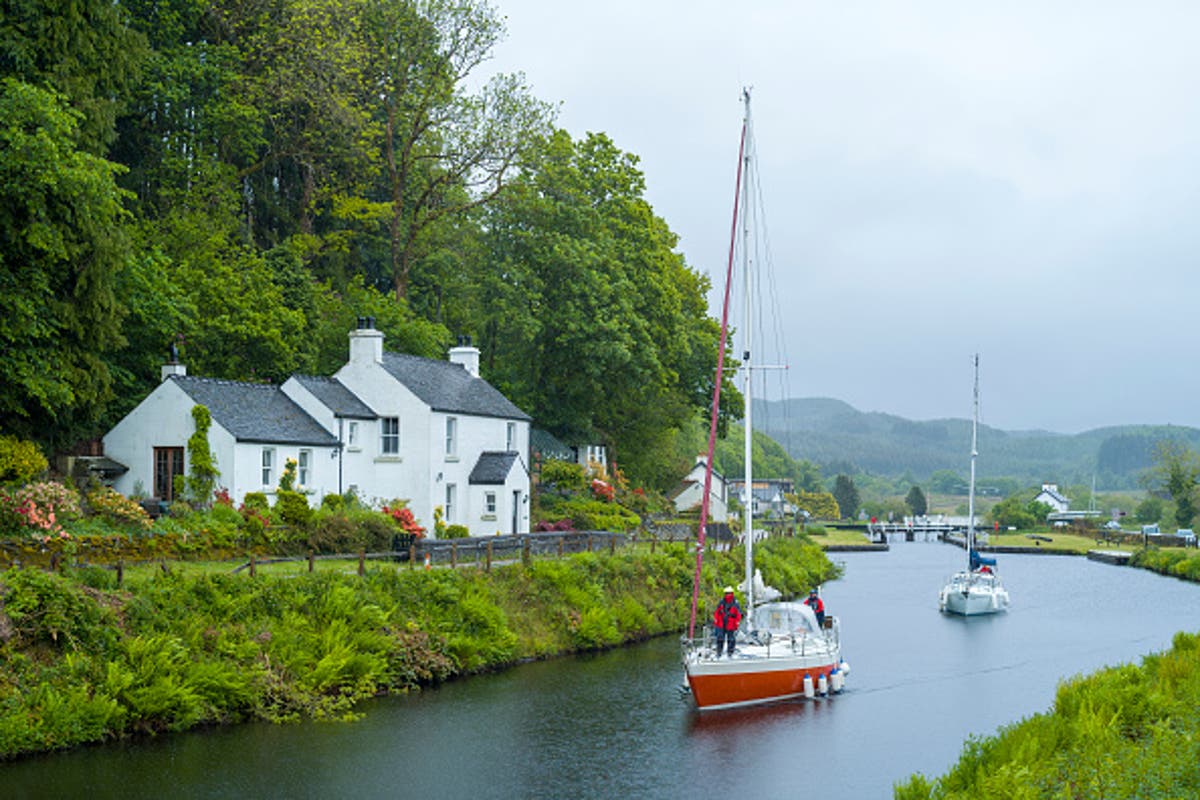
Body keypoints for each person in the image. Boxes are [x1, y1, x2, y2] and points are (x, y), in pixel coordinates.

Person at [712, 586, 742, 657]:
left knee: (731, 639)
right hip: (721, 623)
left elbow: (738, 614)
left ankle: (730, 653)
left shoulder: (735, 603)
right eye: (726, 593)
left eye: (729, 593)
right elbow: (717, 612)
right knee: (720, 638)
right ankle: (719, 652)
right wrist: (716, 620)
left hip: (731, 623)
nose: (727, 595)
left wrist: (737, 622)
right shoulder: (721, 602)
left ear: (732, 593)